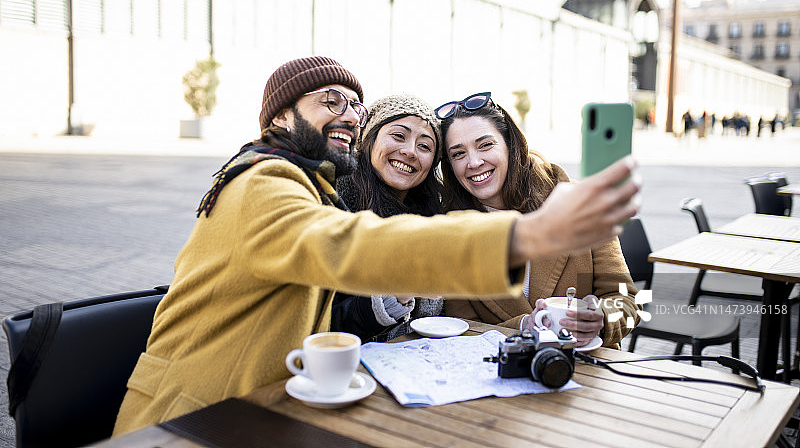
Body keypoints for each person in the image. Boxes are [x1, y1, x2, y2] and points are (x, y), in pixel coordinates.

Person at [113, 57, 640, 435]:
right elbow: (349, 247)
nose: (348, 114)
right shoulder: (261, 182)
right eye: (331, 101)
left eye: (357, 107)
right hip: (184, 421)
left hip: (263, 408)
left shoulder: (312, 188)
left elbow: (627, 302)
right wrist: (525, 234)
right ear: (278, 116)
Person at [438, 92, 639, 349]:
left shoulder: (581, 202)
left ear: (511, 145)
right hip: (502, 372)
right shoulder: (451, 229)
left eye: (485, 145)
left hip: (590, 369)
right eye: (458, 154)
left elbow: (626, 300)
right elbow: (461, 326)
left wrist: (601, 319)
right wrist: (523, 327)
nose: (474, 162)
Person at [331, 94, 444, 341]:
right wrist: (394, 295)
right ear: (369, 140)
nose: (410, 151)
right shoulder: (334, 205)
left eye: (424, 146)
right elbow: (322, 318)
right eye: (398, 136)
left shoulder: (432, 218)